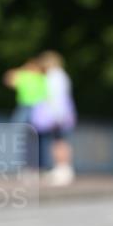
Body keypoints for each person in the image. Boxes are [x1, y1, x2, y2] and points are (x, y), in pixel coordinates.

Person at [38, 51, 77, 185]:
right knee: (60, 141)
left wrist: (57, 116)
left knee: (59, 142)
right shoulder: (61, 75)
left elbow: (55, 97)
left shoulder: (54, 76)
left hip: (58, 114)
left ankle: (63, 170)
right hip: (63, 113)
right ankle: (63, 169)